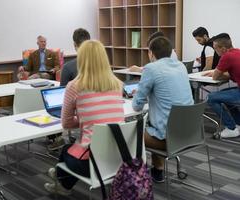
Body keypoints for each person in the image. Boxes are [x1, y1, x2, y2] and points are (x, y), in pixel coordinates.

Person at [44, 40, 124, 196]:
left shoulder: (74, 87)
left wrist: (85, 121)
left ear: (81, 59)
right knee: (74, 148)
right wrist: (90, 119)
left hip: (93, 164)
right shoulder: (117, 84)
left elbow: (66, 123)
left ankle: (61, 178)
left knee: (67, 149)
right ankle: (61, 178)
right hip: (120, 158)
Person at [132, 37, 193, 182]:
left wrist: (140, 94)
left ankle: (135, 176)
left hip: (169, 138)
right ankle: (157, 171)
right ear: (171, 52)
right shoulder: (181, 66)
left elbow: (136, 106)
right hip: (191, 134)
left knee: (129, 134)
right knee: (156, 122)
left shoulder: (151, 68)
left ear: (150, 53)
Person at [204, 33, 240, 138]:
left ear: (223, 48)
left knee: (210, 97)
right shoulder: (237, 52)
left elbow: (215, 77)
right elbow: (229, 74)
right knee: (224, 95)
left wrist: (216, 72)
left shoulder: (227, 56)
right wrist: (219, 73)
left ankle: (231, 128)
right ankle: (238, 124)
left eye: (215, 48)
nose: (215, 51)